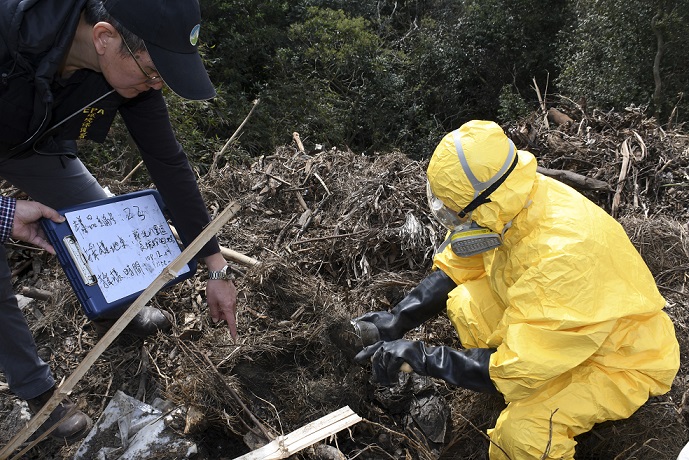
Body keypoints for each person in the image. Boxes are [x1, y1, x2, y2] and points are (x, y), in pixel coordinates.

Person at [354, 120, 680, 459]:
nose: (451, 219)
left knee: (521, 438)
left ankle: (527, 397)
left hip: (617, 357)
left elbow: (518, 364)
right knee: (466, 303)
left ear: (483, 203)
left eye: (454, 211)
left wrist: (422, 358)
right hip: (559, 328)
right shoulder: (515, 198)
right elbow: (460, 265)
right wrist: (396, 320)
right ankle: (517, 384)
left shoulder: (561, 254)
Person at [0, 0, 237, 442]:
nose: (157, 85)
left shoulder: (131, 77)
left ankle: (115, 311)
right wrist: (5, 213)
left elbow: (169, 162)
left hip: (27, 143)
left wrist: (215, 265)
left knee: (99, 218)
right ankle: (37, 392)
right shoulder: (8, 34)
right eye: (152, 72)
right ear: (105, 38)